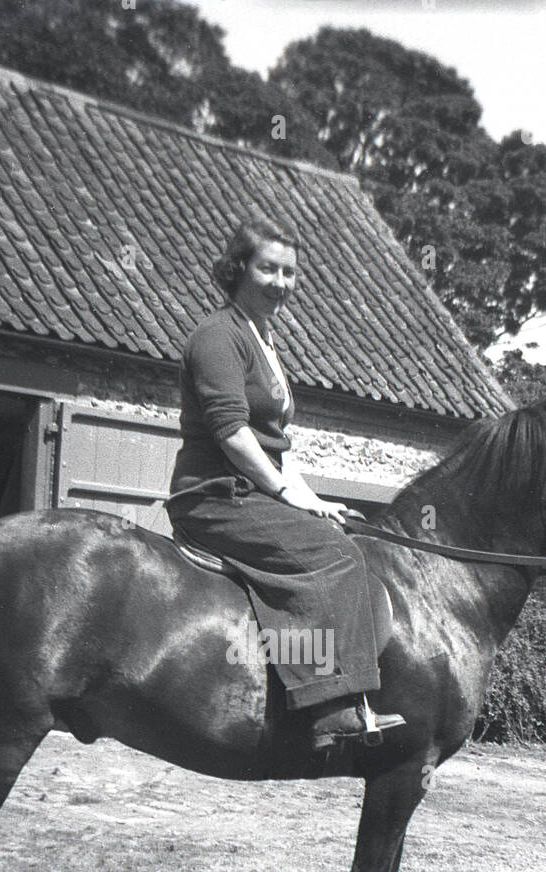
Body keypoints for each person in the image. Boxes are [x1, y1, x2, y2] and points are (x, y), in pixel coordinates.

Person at [166, 219, 405, 750]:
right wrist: (281, 492)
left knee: (347, 539)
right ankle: (325, 709)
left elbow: (277, 440)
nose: (280, 281)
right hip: (214, 494)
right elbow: (232, 433)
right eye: (268, 268)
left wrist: (314, 499)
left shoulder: (264, 340)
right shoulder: (217, 336)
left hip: (251, 489)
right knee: (335, 556)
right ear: (238, 270)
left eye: (290, 272)